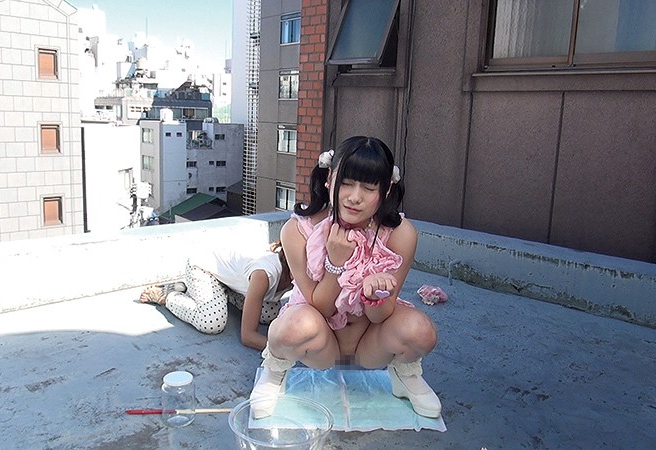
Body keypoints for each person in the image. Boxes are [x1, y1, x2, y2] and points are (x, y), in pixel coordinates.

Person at [249, 136, 441, 419]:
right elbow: (320, 308)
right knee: (292, 327)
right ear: (329, 179)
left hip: (369, 342)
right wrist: (335, 264)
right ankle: (275, 371)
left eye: (369, 188)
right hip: (321, 343)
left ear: (386, 189)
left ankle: (405, 375)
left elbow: (382, 315)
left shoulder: (400, 234)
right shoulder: (298, 231)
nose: (354, 197)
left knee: (421, 332)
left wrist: (375, 295)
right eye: (347, 183)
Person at [139, 241, 293, 351]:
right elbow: (248, 336)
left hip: (232, 279)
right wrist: (288, 352)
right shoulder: (264, 274)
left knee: (269, 314)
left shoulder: (295, 273)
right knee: (212, 322)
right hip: (203, 268)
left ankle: (223, 292)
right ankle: (167, 295)